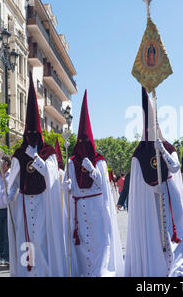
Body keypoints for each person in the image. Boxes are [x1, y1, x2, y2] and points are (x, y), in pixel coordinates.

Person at [125, 87, 183, 277]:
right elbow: (138, 185)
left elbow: (175, 168)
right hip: (151, 204)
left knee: (175, 233)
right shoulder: (138, 154)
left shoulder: (168, 147)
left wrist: (162, 151)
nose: (152, 130)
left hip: (171, 198)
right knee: (157, 239)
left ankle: (177, 270)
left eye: (154, 127)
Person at [6, 76, 67, 277]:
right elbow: (13, 180)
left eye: (35, 132)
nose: (31, 135)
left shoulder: (48, 152)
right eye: (28, 132)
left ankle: (43, 273)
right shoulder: (18, 154)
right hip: (24, 204)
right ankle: (27, 273)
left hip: (42, 203)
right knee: (26, 242)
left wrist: (37, 159)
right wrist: (10, 193)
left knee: (41, 240)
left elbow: (51, 176)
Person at [62, 91, 124, 277]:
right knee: (81, 243)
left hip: (96, 208)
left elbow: (103, 184)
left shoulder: (99, 161)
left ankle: (100, 272)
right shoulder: (71, 161)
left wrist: (93, 170)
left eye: (86, 142)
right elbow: (68, 186)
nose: (83, 145)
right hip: (79, 209)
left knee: (98, 242)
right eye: (80, 142)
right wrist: (65, 186)